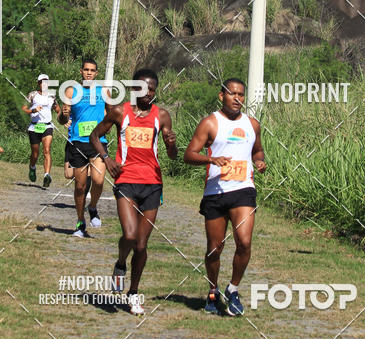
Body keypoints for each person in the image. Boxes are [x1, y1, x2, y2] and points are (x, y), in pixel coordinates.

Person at [90, 68, 177, 315]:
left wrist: (172, 144)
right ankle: (120, 265)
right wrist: (106, 160)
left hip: (152, 184)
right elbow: (95, 135)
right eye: (142, 87)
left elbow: (172, 155)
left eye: (152, 89)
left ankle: (134, 293)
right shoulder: (120, 112)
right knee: (129, 235)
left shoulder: (162, 115)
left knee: (141, 244)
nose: (147, 93)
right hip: (126, 179)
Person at [183, 78, 266, 316]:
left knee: (245, 242)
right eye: (232, 94)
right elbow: (189, 155)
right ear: (222, 96)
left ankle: (233, 288)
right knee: (215, 248)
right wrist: (211, 159)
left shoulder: (252, 124)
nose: (237, 98)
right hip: (216, 192)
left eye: (241, 94)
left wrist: (259, 161)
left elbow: (257, 149)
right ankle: (212, 290)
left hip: (244, 190)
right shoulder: (210, 123)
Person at [59, 57, 108, 237]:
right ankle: (80, 222)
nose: (89, 73)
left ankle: (92, 206)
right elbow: (63, 119)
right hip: (78, 142)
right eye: (86, 69)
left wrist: (109, 126)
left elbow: (113, 114)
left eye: (92, 70)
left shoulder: (104, 92)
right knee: (80, 187)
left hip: (97, 142)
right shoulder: (72, 91)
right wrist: (64, 115)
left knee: (98, 180)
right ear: (81, 71)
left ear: (96, 73)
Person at [22, 73, 60, 188]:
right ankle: (32, 167)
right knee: (35, 153)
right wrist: (33, 111)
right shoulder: (32, 95)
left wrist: (64, 116)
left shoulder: (52, 96)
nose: (44, 84)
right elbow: (24, 108)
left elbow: (57, 109)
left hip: (47, 126)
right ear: (38, 83)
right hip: (34, 127)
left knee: (47, 150)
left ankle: (46, 175)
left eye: (46, 82)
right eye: (42, 82)